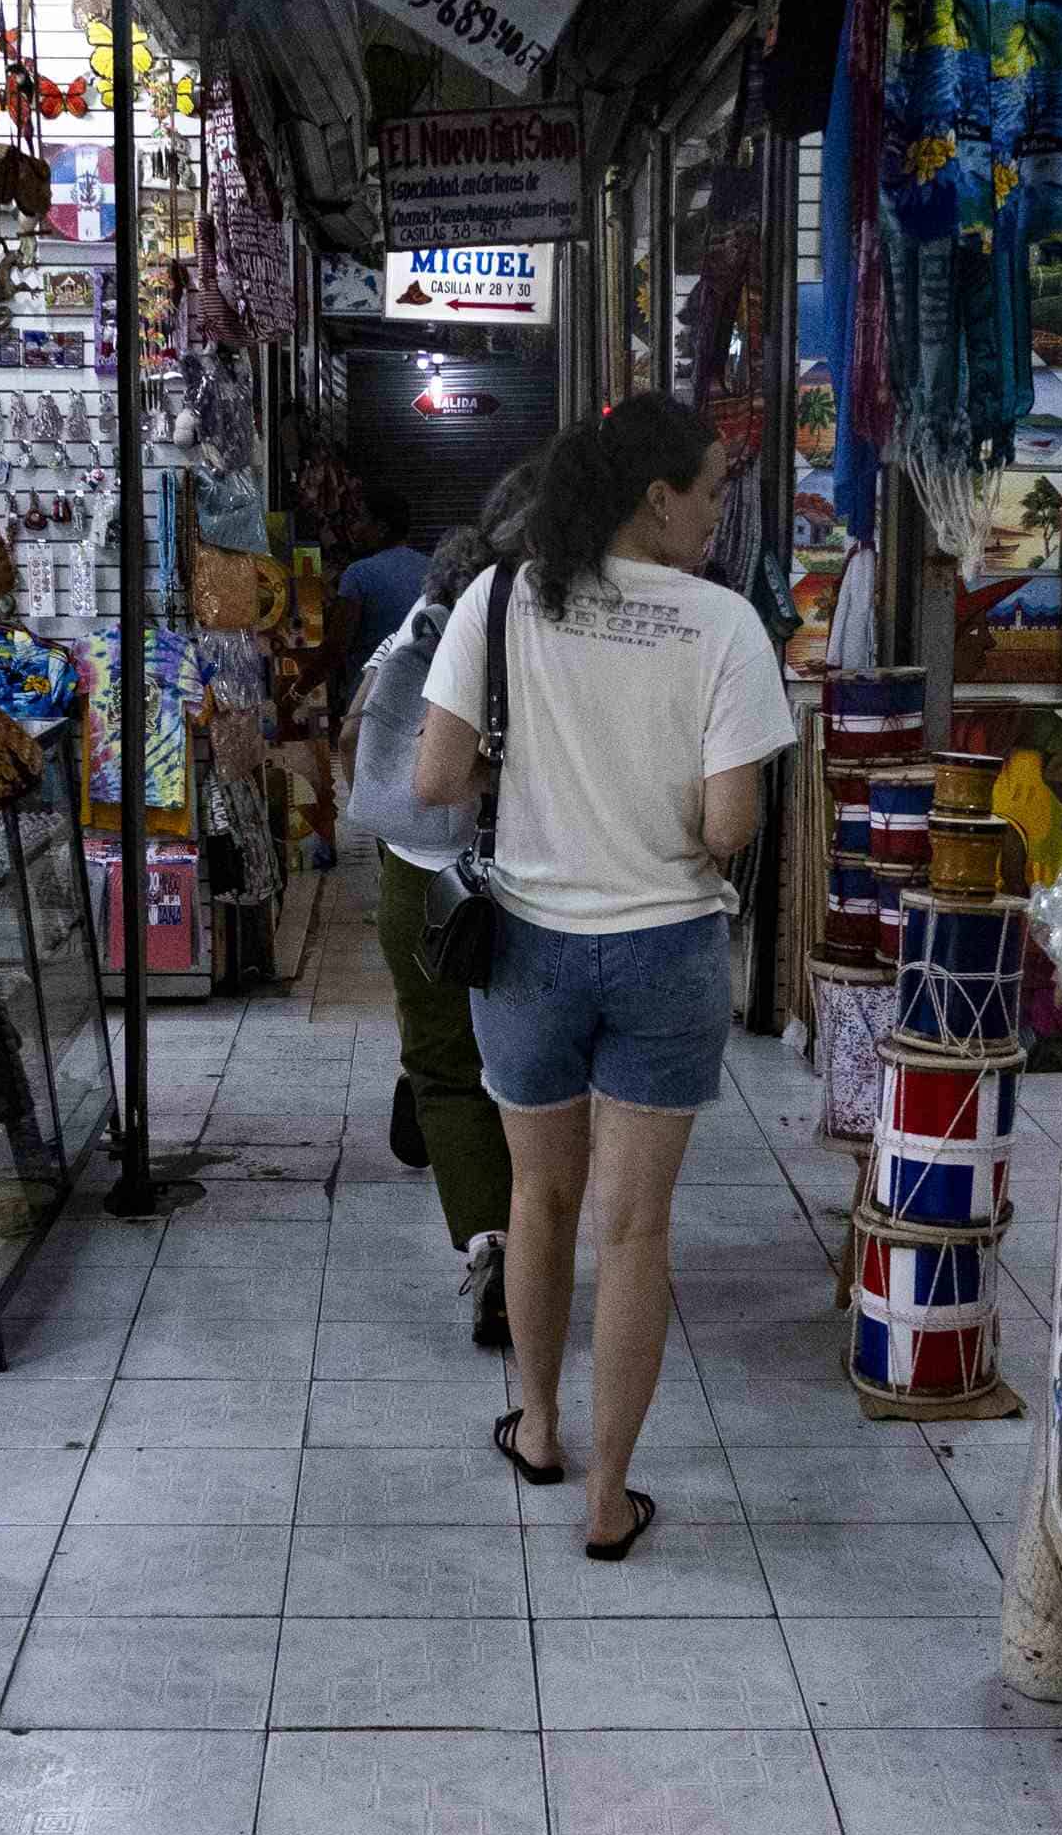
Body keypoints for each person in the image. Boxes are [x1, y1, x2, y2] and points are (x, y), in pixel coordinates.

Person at [414, 393, 790, 1558]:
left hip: (523, 943)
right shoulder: (725, 629)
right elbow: (730, 825)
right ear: (657, 498)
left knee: (542, 1200)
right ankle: (610, 1494)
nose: (722, 513)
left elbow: (434, 779)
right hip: (667, 953)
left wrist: (531, 768)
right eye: (717, 488)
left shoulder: (498, 598)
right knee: (634, 1230)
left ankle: (535, 1426)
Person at [342, 480, 531, 1347]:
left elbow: (356, 739)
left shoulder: (422, 626)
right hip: (535, 879)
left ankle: (491, 1244)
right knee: (529, 1072)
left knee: (445, 1066)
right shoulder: (541, 630)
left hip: (423, 880)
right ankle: (538, 1244)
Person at [330, 490, 431, 706]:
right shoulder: (434, 569)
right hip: (423, 700)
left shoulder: (358, 574)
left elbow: (336, 647)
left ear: (381, 528)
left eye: (361, 519)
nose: (354, 528)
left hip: (370, 703)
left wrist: (296, 692)